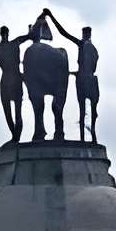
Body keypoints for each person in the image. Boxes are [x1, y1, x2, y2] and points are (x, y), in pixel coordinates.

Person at [40, 11, 101, 139]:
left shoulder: (83, 45)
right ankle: (90, 136)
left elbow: (64, 33)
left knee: (83, 111)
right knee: (90, 111)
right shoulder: (93, 48)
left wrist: (51, 16)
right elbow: (92, 66)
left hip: (83, 81)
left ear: (86, 34)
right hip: (91, 79)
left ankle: (86, 136)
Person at [20, 17, 70, 140]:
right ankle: (59, 130)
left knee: (37, 105)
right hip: (58, 69)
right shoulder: (60, 53)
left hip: (33, 71)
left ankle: (39, 129)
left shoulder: (29, 51)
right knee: (57, 106)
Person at [0, 22, 25, 142]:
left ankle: (16, 138)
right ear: (4, 34)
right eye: (4, 33)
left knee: (16, 113)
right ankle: (15, 137)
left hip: (11, 79)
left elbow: (27, 36)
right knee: (10, 113)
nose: (5, 35)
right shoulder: (1, 48)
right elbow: (27, 36)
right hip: (12, 79)